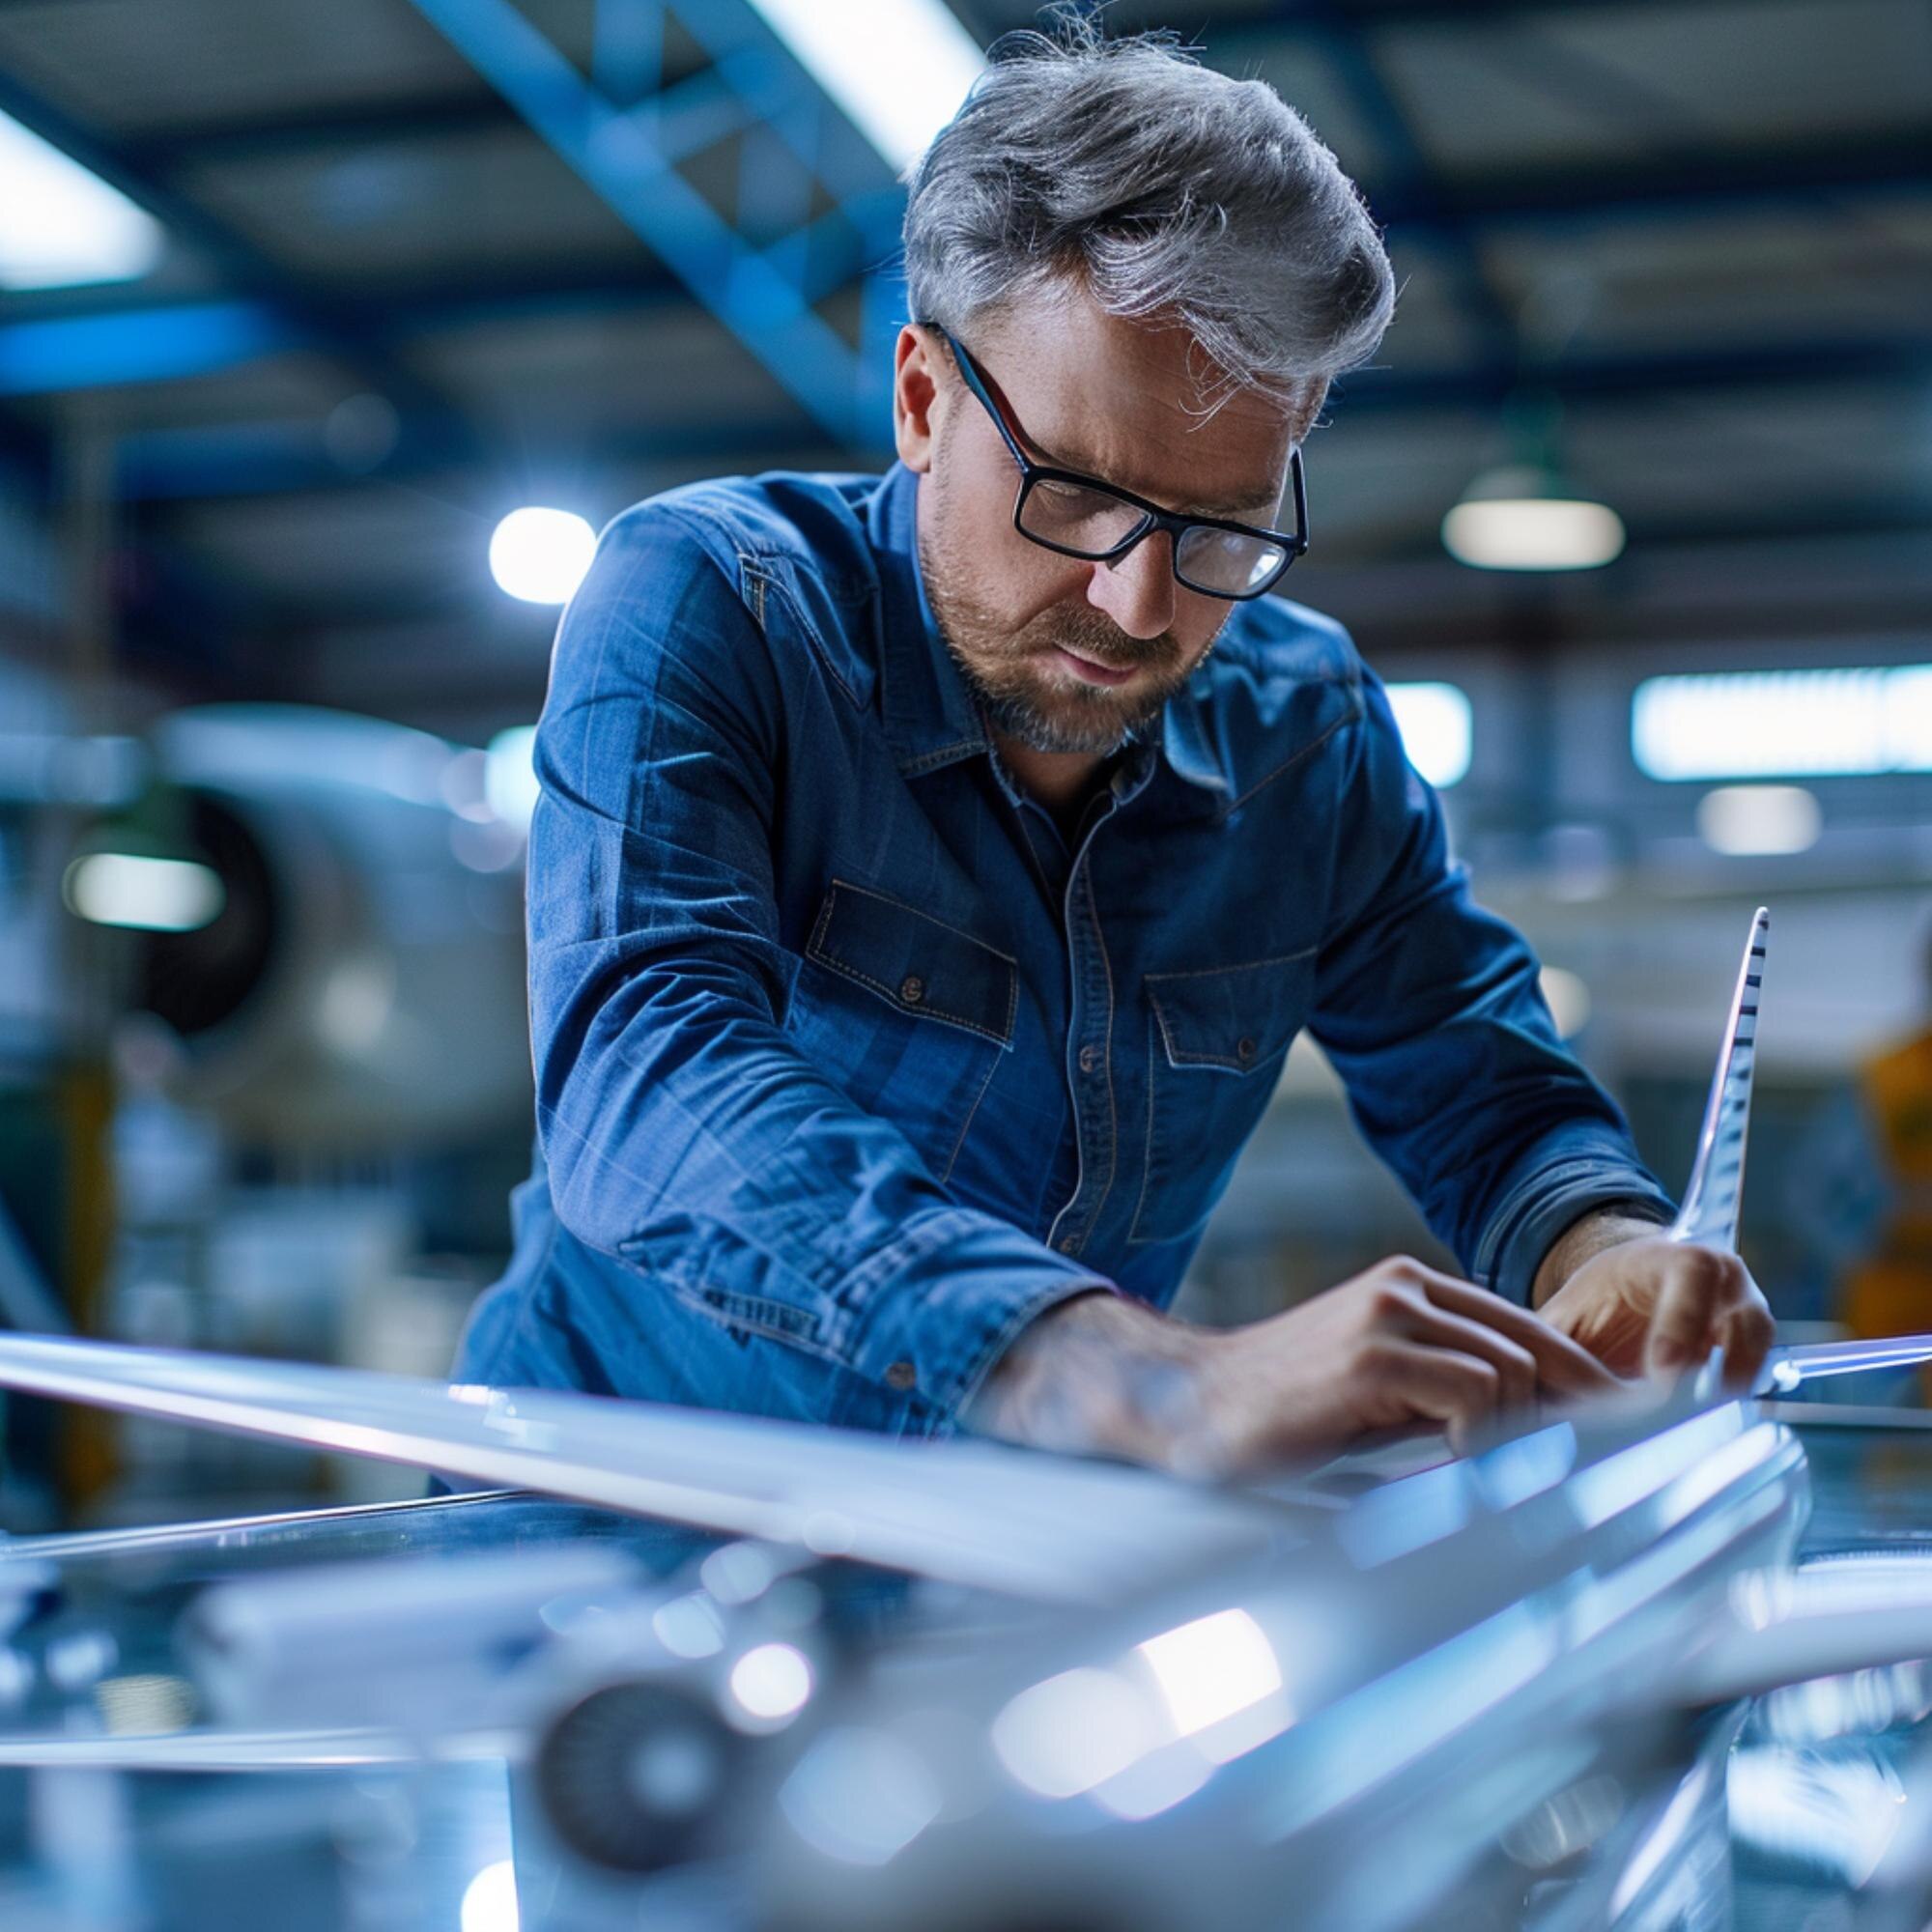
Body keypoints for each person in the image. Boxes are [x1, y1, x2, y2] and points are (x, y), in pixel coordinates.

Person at [454, 20, 1772, 1474]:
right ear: (921, 400)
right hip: (601, 1523)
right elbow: (649, 1078)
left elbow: (1475, 1074)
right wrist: (1112, 1373)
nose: (1139, 604)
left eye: (1222, 527)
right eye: (1076, 497)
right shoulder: (711, 604)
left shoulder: (1305, 733)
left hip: (1009, 1562)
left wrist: (1604, 1242)